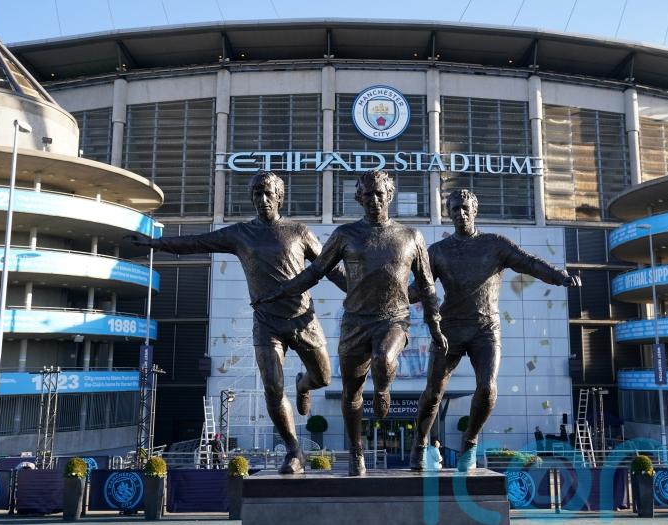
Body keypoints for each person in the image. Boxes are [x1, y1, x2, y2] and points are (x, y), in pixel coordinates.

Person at [129, 171, 346, 475]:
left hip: (302, 320)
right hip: (267, 324)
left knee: (323, 378)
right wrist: (155, 243)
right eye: (257, 194)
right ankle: (293, 450)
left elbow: (330, 269)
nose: (262, 199)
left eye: (268, 193)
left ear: (280, 197)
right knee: (273, 388)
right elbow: (196, 242)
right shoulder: (241, 234)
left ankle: (303, 385)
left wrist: (361, 293)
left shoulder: (299, 231)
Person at [256, 170, 448, 476]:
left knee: (384, 358)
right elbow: (316, 271)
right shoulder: (345, 235)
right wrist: (283, 290)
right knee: (352, 392)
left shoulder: (411, 236)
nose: (374, 200)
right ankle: (357, 451)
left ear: (390, 195)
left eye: (379, 194)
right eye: (367, 195)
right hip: (355, 322)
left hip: (394, 318)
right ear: (359, 198)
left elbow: (426, 284)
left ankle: (383, 389)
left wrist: (434, 323)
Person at [409, 189, 581, 471]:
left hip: (486, 328)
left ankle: (469, 443)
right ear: (448, 213)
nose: (460, 213)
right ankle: (419, 444)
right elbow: (419, 289)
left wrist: (559, 276)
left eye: (465, 208)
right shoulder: (437, 251)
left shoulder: (495, 244)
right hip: (450, 328)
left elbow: (529, 262)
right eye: (454, 209)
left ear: (475, 210)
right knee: (433, 392)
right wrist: (390, 297)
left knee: (488, 387)